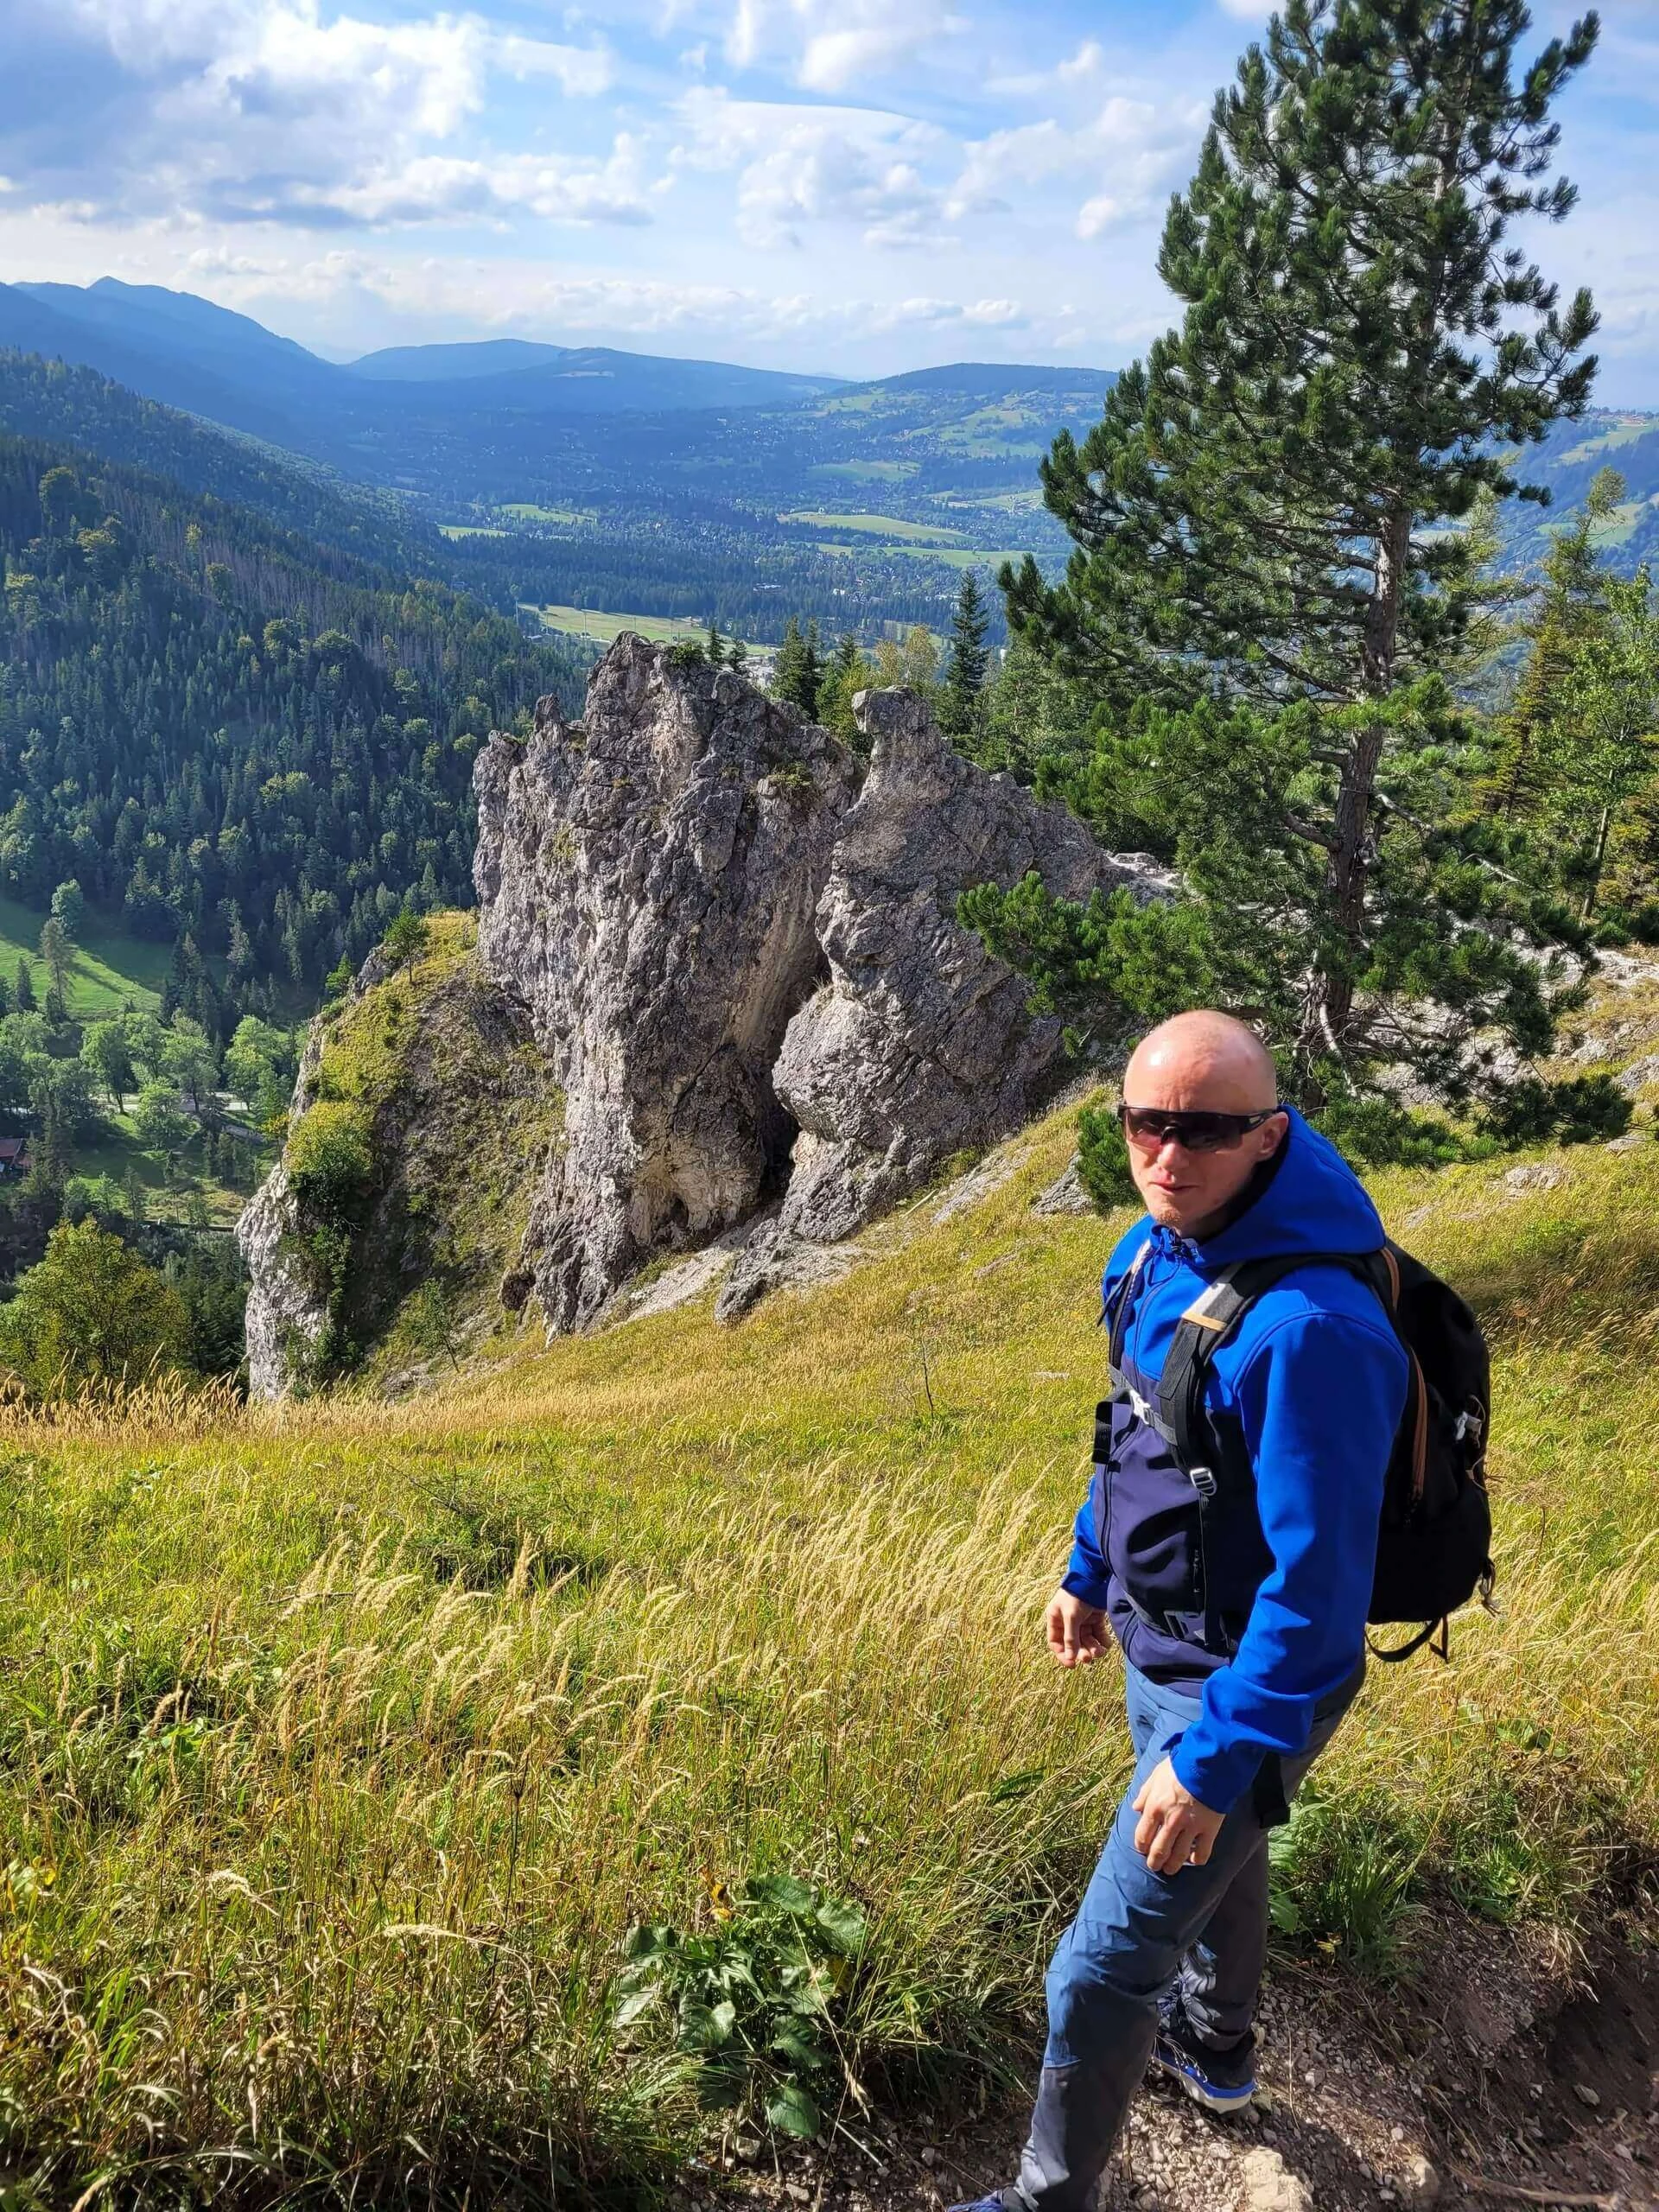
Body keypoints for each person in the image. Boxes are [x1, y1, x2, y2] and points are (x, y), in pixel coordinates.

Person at [954, 1010, 1409, 2212]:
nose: (1168, 1152)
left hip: (1243, 1684)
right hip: (1161, 1640)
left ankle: (1049, 2201)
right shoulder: (1153, 1253)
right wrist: (1086, 1567)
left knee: (1098, 1975)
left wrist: (1213, 1761)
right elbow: (1136, 1427)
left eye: (1204, 1129)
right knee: (1222, 1858)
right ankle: (1217, 2050)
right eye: (1146, 1124)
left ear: (1268, 1136)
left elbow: (1317, 1609)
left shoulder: (1312, 1331)